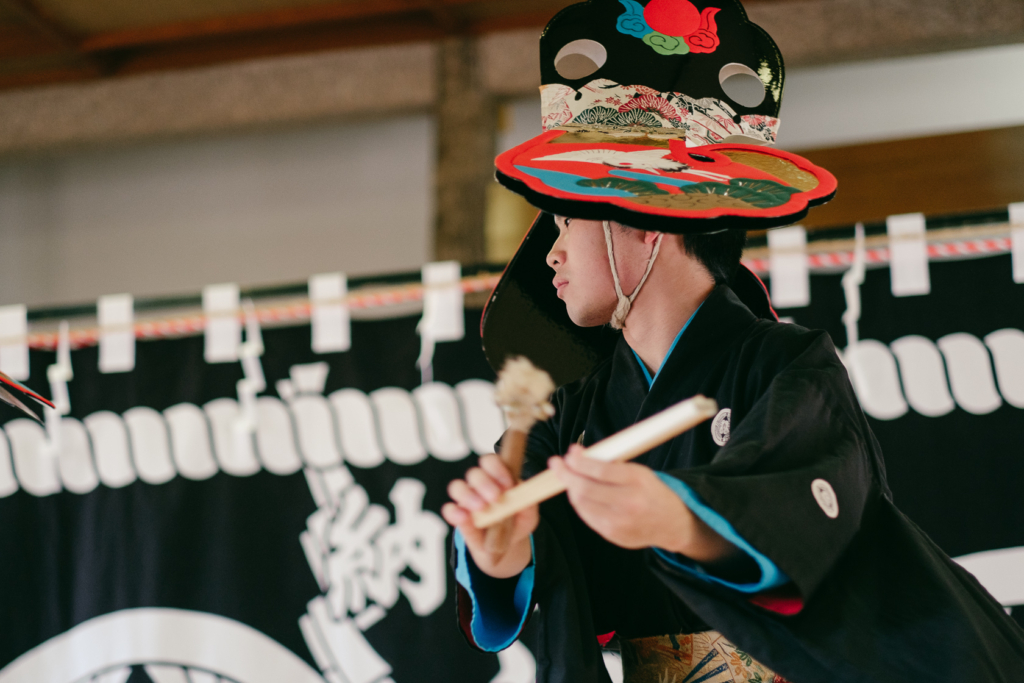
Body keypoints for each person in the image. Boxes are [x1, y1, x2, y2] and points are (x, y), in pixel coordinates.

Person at [443, 1, 1024, 681]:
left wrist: (680, 517)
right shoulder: (571, 416)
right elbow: (523, 582)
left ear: (644, 218)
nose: (551, 254)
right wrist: (500, 553)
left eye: (566, 223)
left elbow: (813, 518)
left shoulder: (784, 365)